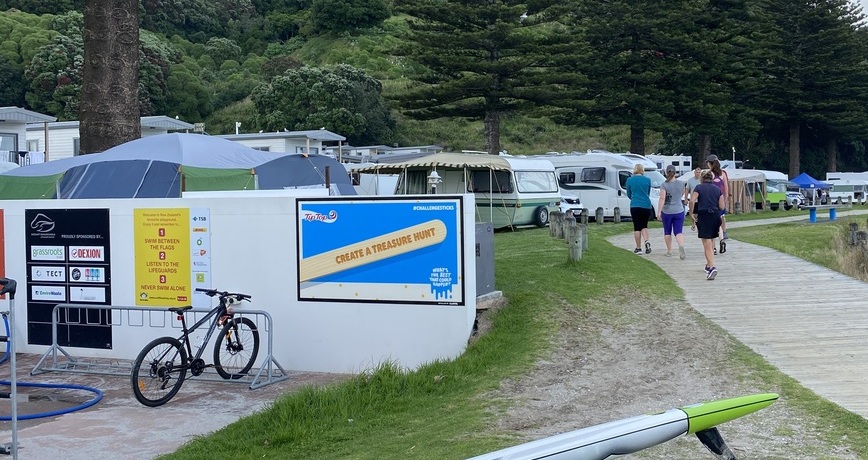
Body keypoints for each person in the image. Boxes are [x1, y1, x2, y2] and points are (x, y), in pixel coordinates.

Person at [690, 170, 725, 280]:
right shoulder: (717, 189)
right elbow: (722, 206)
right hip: (715, 215)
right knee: (711, 240)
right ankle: (709, 265)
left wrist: (691, 213)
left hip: (704, 215)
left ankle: (712, 267)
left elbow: (692, 200)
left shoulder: (699, 188)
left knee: (706, 243)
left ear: (701, 178)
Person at [657, 164, 688, 259]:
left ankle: (669, 251)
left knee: (667, 231)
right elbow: (681, 194)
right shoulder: (681, 183)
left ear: (666, 172)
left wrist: (659, 212)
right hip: (679, 210)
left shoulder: (664, 185)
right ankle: (681, 245)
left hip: (667, 211)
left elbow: (662, 198)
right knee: (678, 231)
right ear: (675, 172)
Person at [625, 163, 653, 254]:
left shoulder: (629, 180)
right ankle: (647, 241)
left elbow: (629, 193)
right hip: (646, 205)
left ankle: (638, 248)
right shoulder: (648, 180)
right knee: (644, 225)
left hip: (635, 205)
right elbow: (648, 193)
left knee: (637, 227)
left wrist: (633, 198)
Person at [706, 154, 729, 253]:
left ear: (709, 163)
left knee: (712, 224)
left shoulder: (709, 174)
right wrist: (725, 201)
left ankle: (713, 248)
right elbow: (726, 189)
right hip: (721, 200)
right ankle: (722, 239)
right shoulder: (723, 173)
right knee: (719, 222)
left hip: (712, 202)